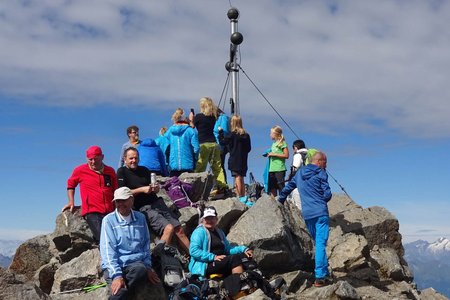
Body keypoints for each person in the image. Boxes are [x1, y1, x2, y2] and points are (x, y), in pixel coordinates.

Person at [117, 147, 190, 254]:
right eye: (131, 158)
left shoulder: (144, 170)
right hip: (143, 207)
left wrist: (155, 189)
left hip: (157, 202)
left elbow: (153, 188)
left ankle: (195, 258)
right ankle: (161, 257)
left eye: (136, 158)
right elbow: (122, 193)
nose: (134, 161)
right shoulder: (121, 171)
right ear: (125, 159)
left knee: (179, 230)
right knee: (168, 228)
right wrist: (142, 189)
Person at [278, 151, 332, 287]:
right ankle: (320, 276)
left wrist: (280, 200)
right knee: (320, 243)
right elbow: (328, 194)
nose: (326, 165)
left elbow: (288, 188)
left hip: (307, 214)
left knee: (318, 244)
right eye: (325, 162)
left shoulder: (300, 173)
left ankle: (324, 273)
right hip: (320, 213)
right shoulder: (321, 173)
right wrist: (321, 200)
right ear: (319, 161)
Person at [100, 187, 160, 300]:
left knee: (140, 270)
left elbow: (146, 245)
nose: (120, 204)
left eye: (124, 200)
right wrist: (117, 275)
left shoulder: (140, 218)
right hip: (115, 265)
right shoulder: (108, 220)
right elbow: (108, 251)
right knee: (119, 292)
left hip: (135, 266)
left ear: (131, 200)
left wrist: (148, 267)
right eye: (118, 201)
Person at [63, 145, 117, 243]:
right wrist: (71, 201)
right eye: (90, 159)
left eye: (96, 159)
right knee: (105, 239)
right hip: (92, 212)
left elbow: (115, 190)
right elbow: (71, 185)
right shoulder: (80, 170)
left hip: (110, 211)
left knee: (115, 238)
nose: (93, 162)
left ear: (102, 157)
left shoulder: (110, 171)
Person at [189, 206, 253, 278]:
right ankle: (240, 283)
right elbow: (193, 251)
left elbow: (227, 249)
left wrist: (244, 249)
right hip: (205, 265)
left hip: (219, 261)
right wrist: (213, 257)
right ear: (203, 220)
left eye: (212, 218)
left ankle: (249, 281)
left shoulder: (219, 232)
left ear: (216, 219)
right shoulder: (199, 232)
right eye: (207, 218)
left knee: (244, 256)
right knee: (234, 259)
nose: (209, 221)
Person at [189, 97, 228, 196]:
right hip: (214, 144)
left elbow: (192, 127)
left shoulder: (198, 117)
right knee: (217, 167)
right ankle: (222, 186)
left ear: (202, 105)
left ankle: (195, 187)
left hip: (203, 144)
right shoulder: (213, 117)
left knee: (200, 167)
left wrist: (191, 120)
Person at [218, 115, 252, 207]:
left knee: (237, 177)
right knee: (241, 177)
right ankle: (243, 196)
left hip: (234, 158)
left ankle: (240, 197)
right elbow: (249, 149)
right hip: (243, 159)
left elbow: (222, 142)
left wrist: (220, 132)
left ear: (232, 123)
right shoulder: (246, 135)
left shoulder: (231, 134)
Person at [165, 108, 199, 177]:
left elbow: (165, 149)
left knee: (174, 186)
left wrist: (167, 162)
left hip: (173, 166)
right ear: (185, 118)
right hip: (188, 165)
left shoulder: (169, 132)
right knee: (187, 187)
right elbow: (196, 148)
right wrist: (195, 159)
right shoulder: (190, 131)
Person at [264, 125, 289, 197]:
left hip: (279, 168)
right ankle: (274, 204)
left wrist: (274, 154)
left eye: (271, 133)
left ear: (276, 134)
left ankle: (283, 203)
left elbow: (286, 155)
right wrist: (268, 154)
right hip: (271, 169)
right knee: (272, 187)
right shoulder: (273, 144)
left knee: (281, 187)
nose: (270, 135)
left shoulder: (282, 143)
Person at [287, 139, 308, 210]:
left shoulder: (298, 155)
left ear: (295, 147)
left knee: (298, 203)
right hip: (309, 181)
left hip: (299, 181)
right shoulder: (309, 155)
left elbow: (295, 168)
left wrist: (290, 177)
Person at [213, 108, 230, 184]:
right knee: (218, 166)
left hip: (221, 145)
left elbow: (224, 131)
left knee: (219, 166)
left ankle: (222, 183)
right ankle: (220, 183)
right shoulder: (219, 119)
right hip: (218, 144)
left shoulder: (222, 118)